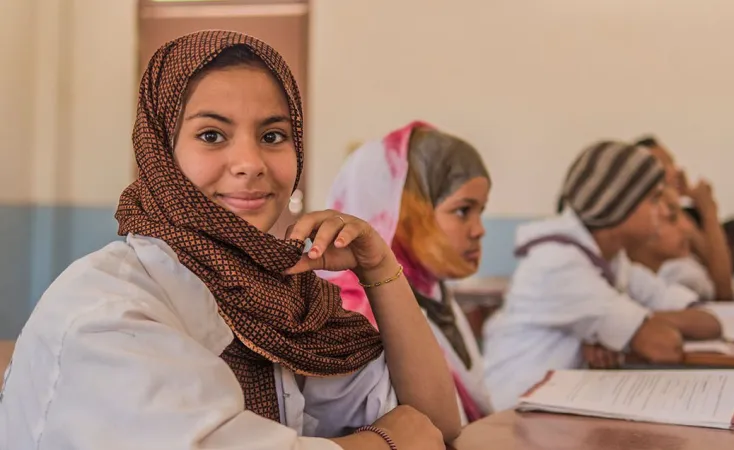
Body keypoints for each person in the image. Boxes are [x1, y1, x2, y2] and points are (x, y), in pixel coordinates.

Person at [0, 31, 461, 450]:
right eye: (212, 135)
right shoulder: (107, 309)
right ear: (160, 151)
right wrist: (385, 444)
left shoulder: (284, 300)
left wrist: (379, 266)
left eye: (273, 135)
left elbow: (435, 426)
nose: (250, 163)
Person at [483, 140, 722, 411]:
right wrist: (629, 326)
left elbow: (708, 321)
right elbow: (664, 346)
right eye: (654, 199)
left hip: (554, 413)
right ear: (621, 203)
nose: (664, 211)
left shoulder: (613, 261)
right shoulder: (557, 263)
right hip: (511, 420)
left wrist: (616, 329)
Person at [320, 122, 494, 425]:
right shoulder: (354, 312)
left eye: (481, 211)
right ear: (403, 213)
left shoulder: (432, 292)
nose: (479, 230)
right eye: (463, 211)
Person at [634, 135, 734, 300]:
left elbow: (714, 265)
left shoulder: (678, 217)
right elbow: (724, 290)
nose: (677, 171)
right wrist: (709, 211)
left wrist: (705, 209)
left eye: (673, 162)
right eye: (665, 165)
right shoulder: (645, 218)